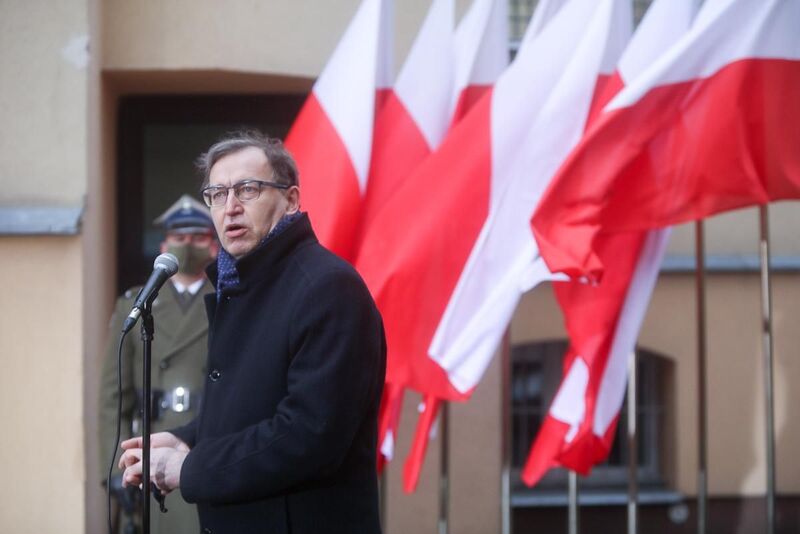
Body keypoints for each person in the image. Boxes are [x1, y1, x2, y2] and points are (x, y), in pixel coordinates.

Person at [119, 130, 387, 534]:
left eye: (248, 190)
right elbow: (252, 411)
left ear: (292, 200)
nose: (231, 208)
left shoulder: (327, 287)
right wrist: (188, 439)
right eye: (217, 193)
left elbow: (308, 436)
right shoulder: (241, 285)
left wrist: (190, 468)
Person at [99, 195, 219, 534]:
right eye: (179, 239)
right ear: (165, 244)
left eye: (197, 238)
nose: (187, 245)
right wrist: (113, 471)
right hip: (151, 450)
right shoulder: (135, 304)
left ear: (212, 245)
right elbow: (113, 397)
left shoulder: (228, 300)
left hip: (200, 450)